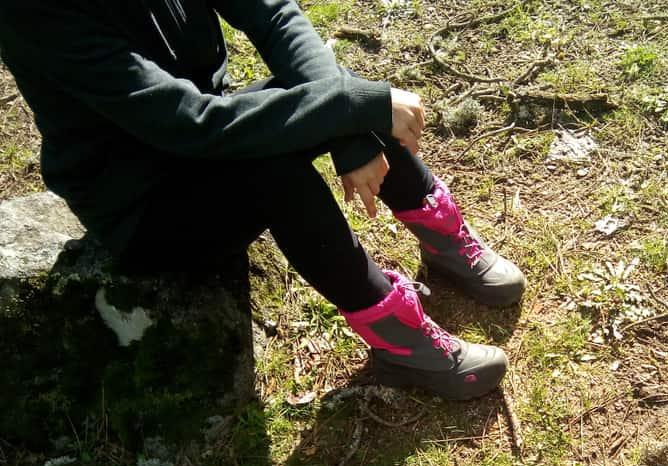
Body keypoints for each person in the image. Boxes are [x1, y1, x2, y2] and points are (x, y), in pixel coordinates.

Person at [0, 0, 525, 400]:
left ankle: (443, 240)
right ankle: (398, 339)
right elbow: (191, 124)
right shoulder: (37, 11)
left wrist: (350, 127)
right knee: (276, 161)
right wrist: (346, 109)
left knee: (326, 89)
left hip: (208, 141)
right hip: (144, 204)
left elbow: (273, 15)